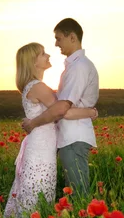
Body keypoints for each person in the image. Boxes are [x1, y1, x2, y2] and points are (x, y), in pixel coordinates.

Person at [4, 42, 97, 218]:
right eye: (42, 54)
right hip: (40, 151)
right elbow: (63, 111)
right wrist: (92, 112)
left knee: (36, 192)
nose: (48, 56)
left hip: (40, 147)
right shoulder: (38, 87)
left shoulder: (32, 86)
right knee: (38, 192)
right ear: (33, 62)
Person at [22, 18, 99, 197]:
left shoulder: (78, 67)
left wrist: (33, 123)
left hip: (73, 137)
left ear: (72, 37)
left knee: (78, 194)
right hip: (69, 137)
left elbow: (62, 108)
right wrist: (90, 112)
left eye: (58, 38)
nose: (56, 44)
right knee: (74, 191)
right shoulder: (74, 66)